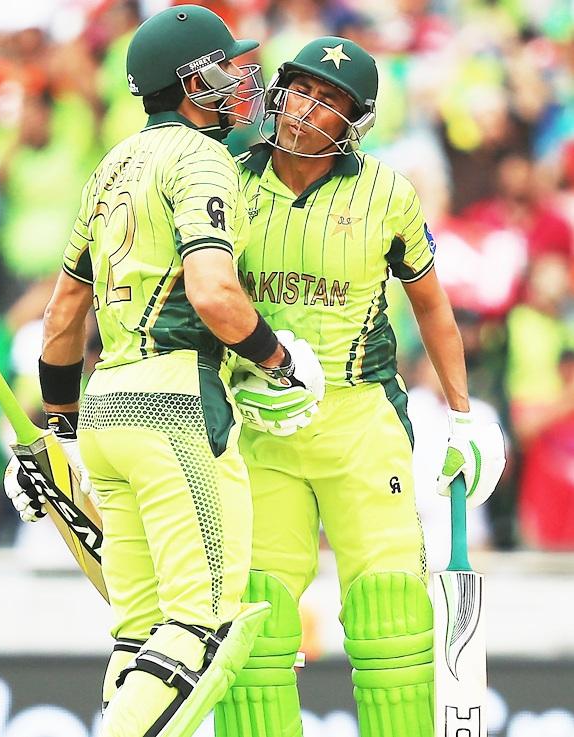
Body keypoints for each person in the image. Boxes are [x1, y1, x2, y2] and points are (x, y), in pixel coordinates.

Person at [2, 7, 324, 737]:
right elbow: (212, 291)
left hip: (109, 405)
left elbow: (60, 318)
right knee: (202, 625)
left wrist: (64, 428)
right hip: (177, 402)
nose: (240, 81)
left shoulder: (109, 165)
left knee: (138, 631)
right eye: (224, 68)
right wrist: (278, 360)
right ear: (189, 80)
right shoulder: (202, 158)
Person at [216, 37, 506, 737]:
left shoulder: (388, 191)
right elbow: (200, 295)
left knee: (391, 614)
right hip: (261, 426)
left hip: (361, 420)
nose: (306, 110)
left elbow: (432, 305)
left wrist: (463, 416)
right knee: (253, 620)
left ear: (354, 122)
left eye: (329, 101)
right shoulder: (228, 178)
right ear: (280, 90)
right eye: (302, 91)